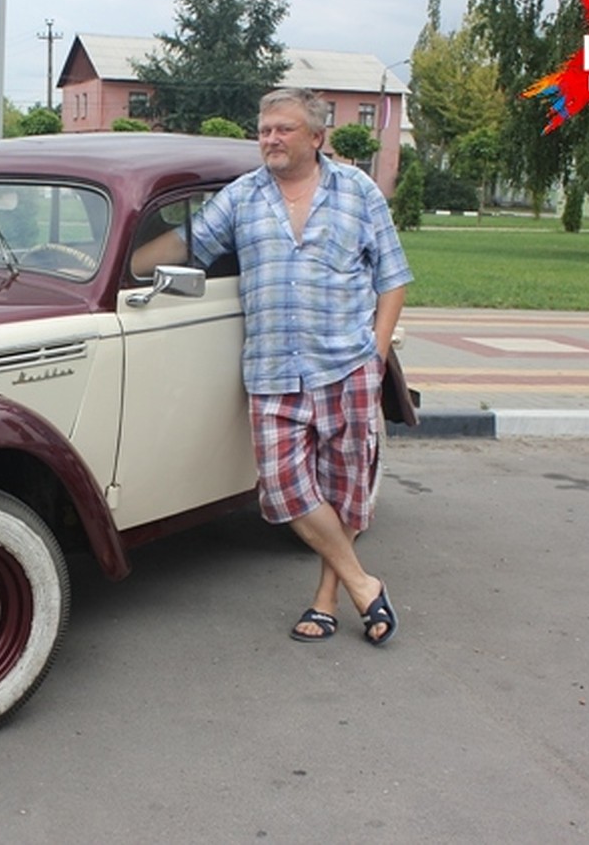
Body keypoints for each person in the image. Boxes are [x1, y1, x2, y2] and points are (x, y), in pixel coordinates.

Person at [131, 87, 412, 646]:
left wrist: (376, 356)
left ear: (316, 136)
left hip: (346, 364)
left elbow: (394, 278)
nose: (270, 140)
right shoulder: (241, 198)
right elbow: (190, 244)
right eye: (264, 130)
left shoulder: (357, 192)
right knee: (283, 493)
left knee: (344, 493)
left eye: (283, 129)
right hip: (271, 369)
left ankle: (327, 599)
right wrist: (118, 261)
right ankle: (364, 584)